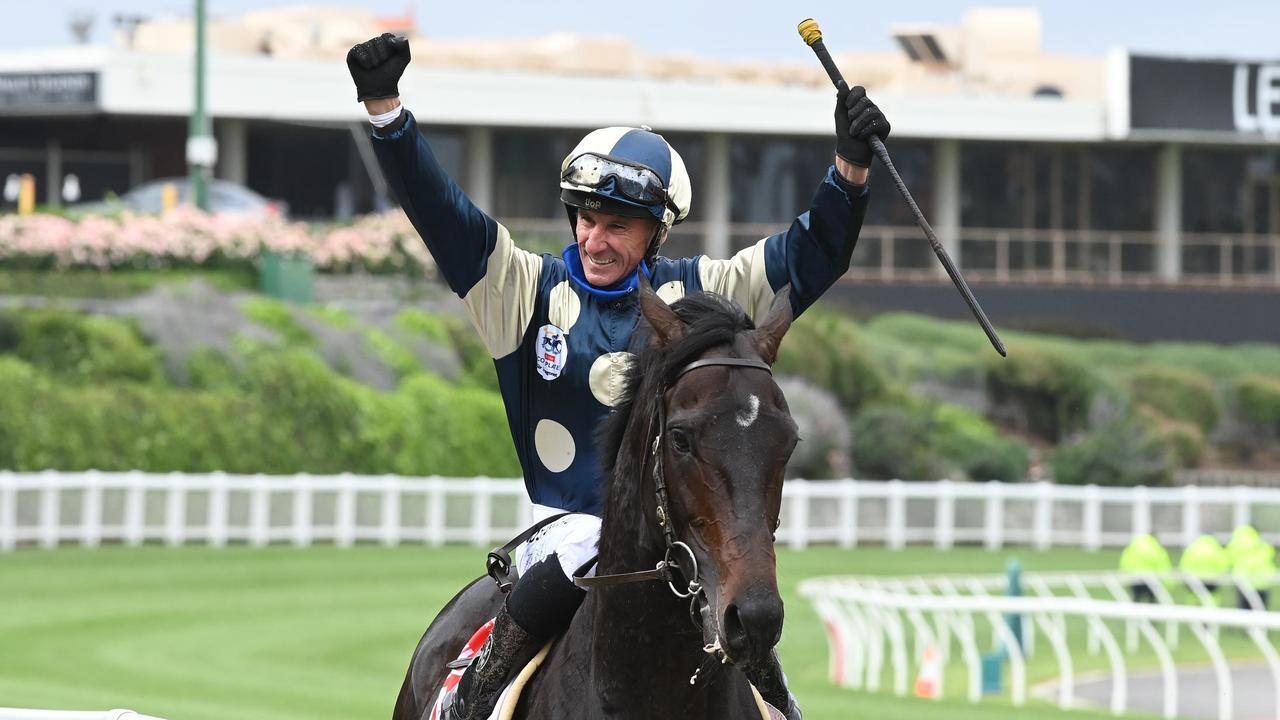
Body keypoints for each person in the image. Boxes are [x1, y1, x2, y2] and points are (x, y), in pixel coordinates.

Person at [347, 32, 889, 720]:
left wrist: (848, 169)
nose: (594, 240)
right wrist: (388, 113)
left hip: (685, 546)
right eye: (587, 220)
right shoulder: (520, 289)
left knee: (764, 666)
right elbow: (441, 213)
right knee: (563, 568)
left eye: (618, 228)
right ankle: (473, 696)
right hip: (563, 530)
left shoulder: (705, 297)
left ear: (656, 233)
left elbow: (807, 259)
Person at [1228, 526, 1276, 610]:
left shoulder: (1236, 543)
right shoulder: (1263, 545)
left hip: (1243, 583)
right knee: (1260, 612)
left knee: (1245, 612)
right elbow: (1271, 556)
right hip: (1262, 584)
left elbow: (1228, 559)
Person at [1118, 533, 1171, 603]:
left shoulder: (1134, 546)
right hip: (1151, 578)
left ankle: (1134, 613)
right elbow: (1163, 566)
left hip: (1134, 578)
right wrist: (1168, 584)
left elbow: (1124, 561)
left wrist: (1125, 575)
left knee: (1136, 599)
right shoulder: (1156, 548)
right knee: (1152, 601)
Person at [1178, 533, 1230, 603]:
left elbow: (1183, 566)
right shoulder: (1216, 548)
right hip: (1212, 583)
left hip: (1194, 582)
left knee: (1193, 605)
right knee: (1211, 604)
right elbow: (1224, 567)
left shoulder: (1192, 548)